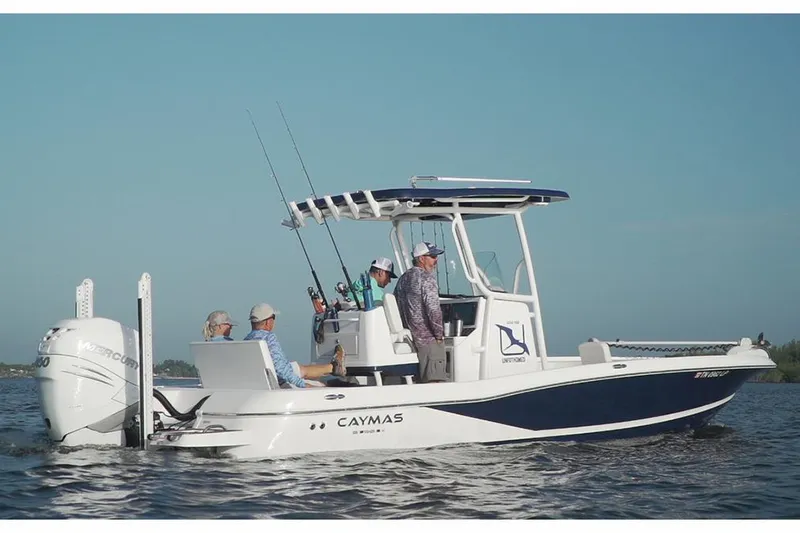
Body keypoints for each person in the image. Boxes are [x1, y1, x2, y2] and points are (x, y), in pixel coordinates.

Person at [243, 303, 347, 388]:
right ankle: (333, 369)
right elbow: (280, 370)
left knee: (297, 367)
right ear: (268, 322)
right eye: (273, 318)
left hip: (264, 380)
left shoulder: (247, 340)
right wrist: (303, 384)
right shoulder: (269, 338)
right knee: (322, 385)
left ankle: (333, 368)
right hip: (279, 381)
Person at [393, 241, 447, 383]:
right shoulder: (426, 278)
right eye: (433, 256)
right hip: (427, 340)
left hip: (411, 338)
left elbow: (397, 304)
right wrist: (439, 336)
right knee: (435, 383)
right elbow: (433, 309)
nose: (436, 260)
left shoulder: (403, 279)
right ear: (421, 259)